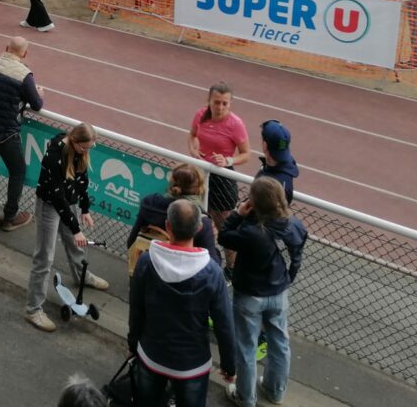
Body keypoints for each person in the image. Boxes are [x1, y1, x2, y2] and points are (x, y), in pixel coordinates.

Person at [128, 199, 236, 407]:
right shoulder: (212, 272)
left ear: (168, 226)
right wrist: (229, 366)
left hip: (151, 355)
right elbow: (224, 324)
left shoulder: (147, 261)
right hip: (192, 364)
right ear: (199, 228)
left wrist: (133, 344)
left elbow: (137, 309)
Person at [218, 177, 308, 407]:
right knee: (280, 341)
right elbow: (296, 257)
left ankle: (245, 397)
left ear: (254, 204)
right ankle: (275, 390)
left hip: (249, 293)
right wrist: (289, 278)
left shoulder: (251, 230)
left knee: (246, 346)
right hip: (278, 291)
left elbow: (224, 236)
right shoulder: (295, 225)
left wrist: (238, 214)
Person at [24, 122, 109, 333]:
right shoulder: (54, 157)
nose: (87, 151)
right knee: (44, 256)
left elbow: (82, 181)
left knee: (75, 244)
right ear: (75, 142)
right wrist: (76, 228)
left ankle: (82, 276)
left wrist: (85, 208)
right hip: (50, 204)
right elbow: (57, 198)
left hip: (65, 201)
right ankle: (33, 309)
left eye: (90, 148)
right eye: (85, 148)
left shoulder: (80, 152)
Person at [0, 37, 45, 234]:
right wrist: (39, 92)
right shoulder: (24, 74)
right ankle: (10, 217)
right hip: (5, 133)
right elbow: (37, 104)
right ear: (25, 54)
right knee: (18, 171)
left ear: (5, 48)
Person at [187, 81, 252, 253]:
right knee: (196, 221)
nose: (220, 107)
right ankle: (197, 256)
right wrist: (193, 149)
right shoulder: (200, 115)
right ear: (208, 100)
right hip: (200, 174)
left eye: (225, 103)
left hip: (222, 179)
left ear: (230, 104)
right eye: (216, 102)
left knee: (224, 228)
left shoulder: (236, 124)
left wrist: (227, 161)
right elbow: (192, 135)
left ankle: (230, 269)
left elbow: (246, 154)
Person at [127, 164, 220, 265]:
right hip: (182, 275)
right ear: (199, 189)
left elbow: (131, 242)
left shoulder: (150, 203)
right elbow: (212, 263)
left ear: (172, 183)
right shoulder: (201, 220)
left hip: (147, 267)